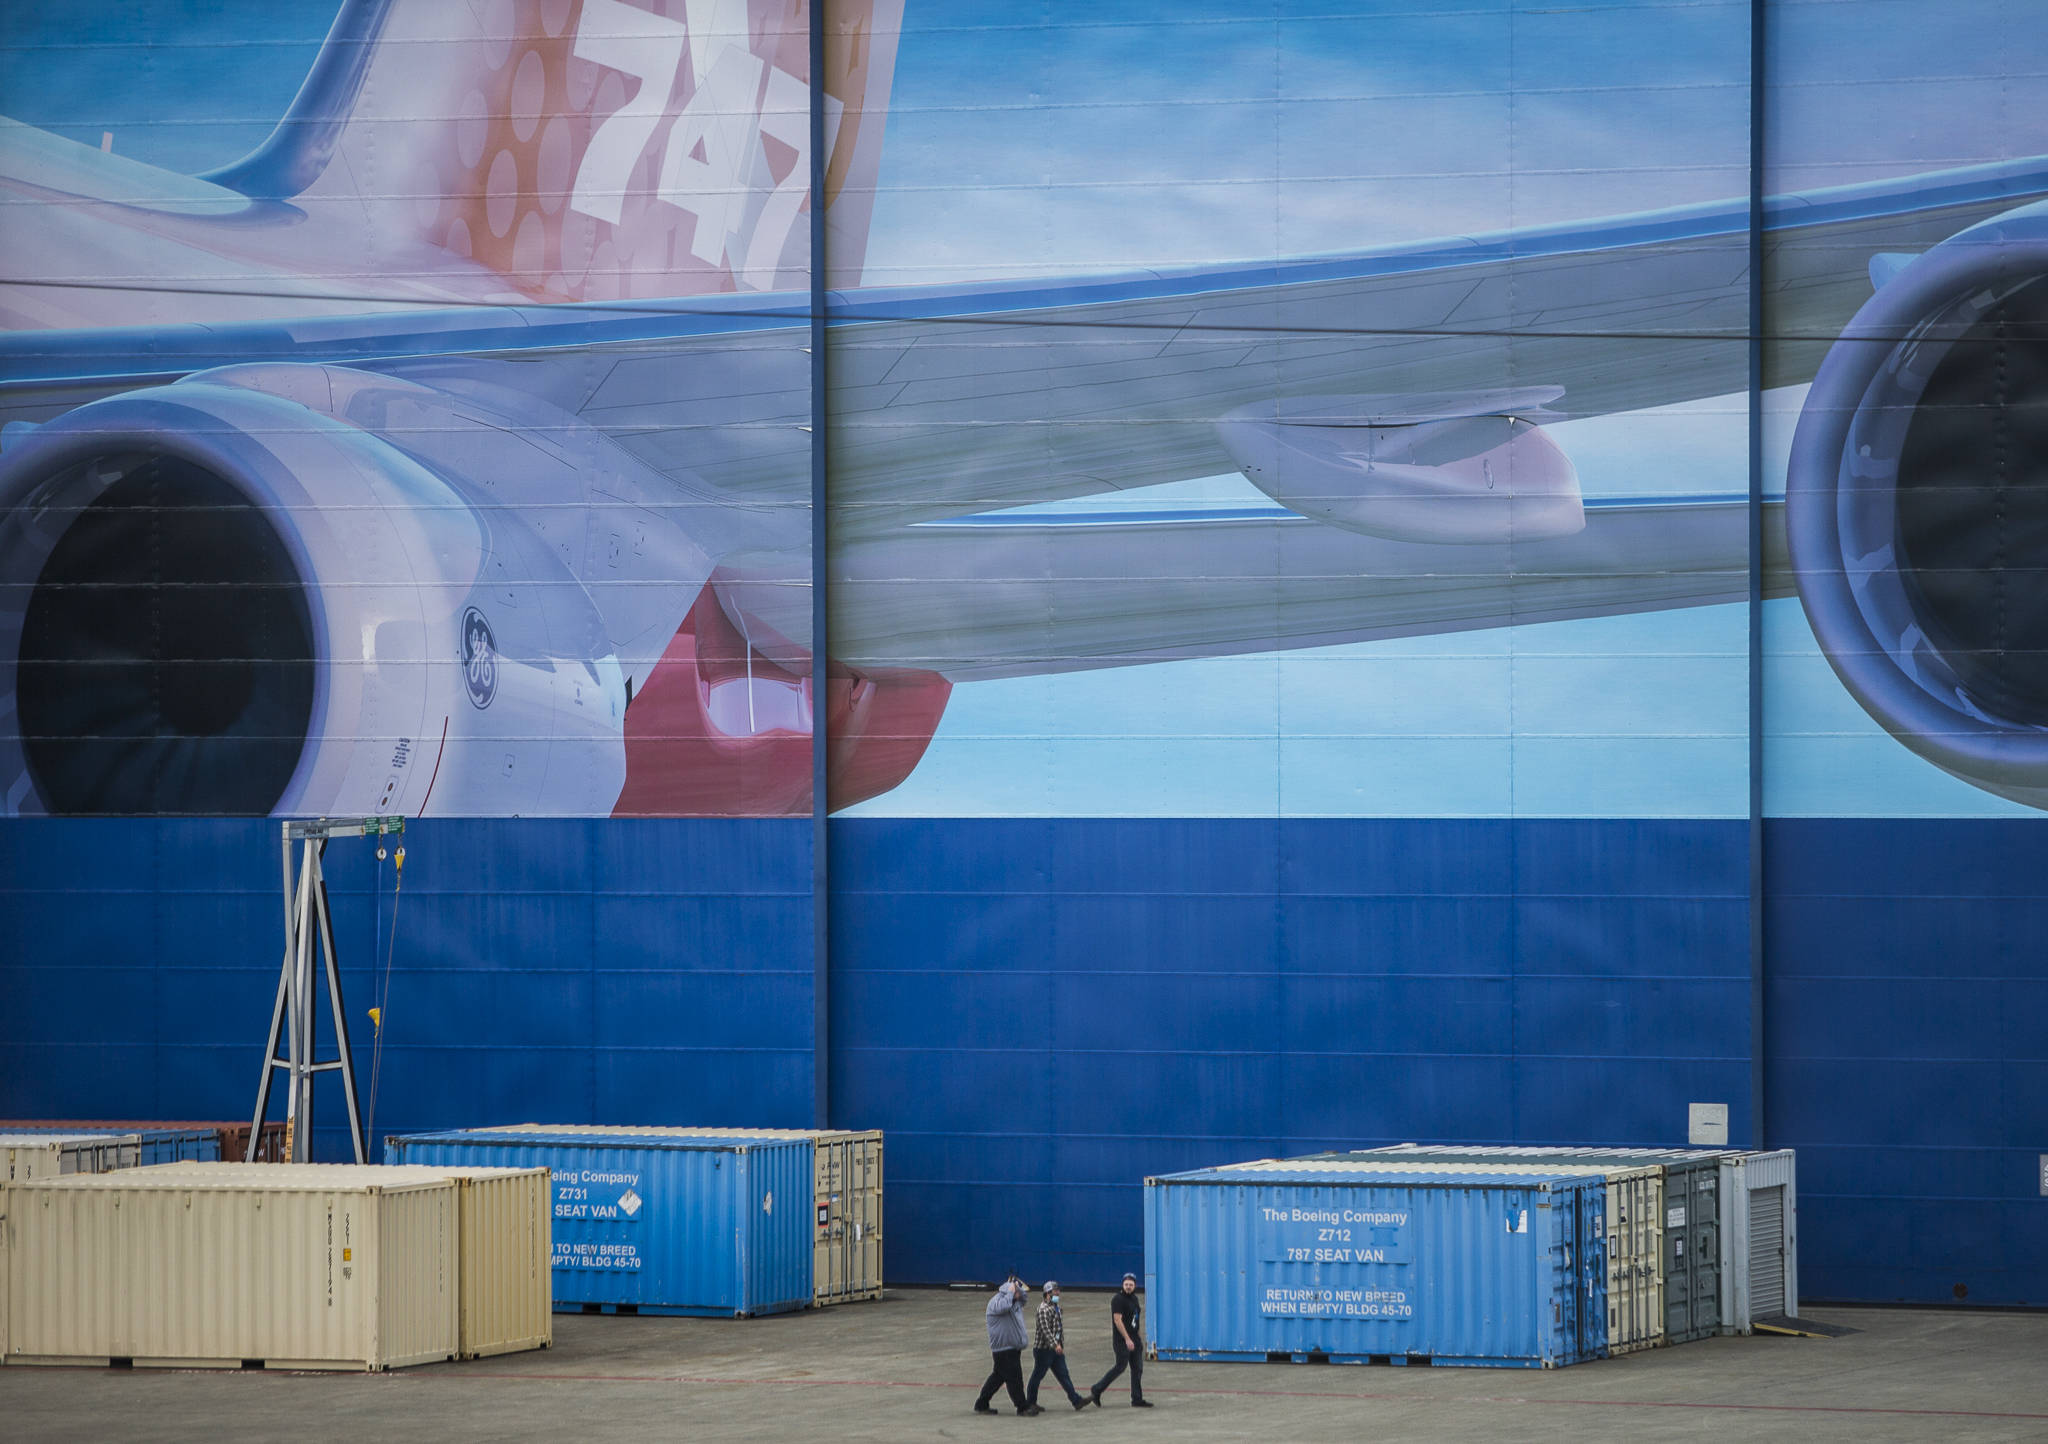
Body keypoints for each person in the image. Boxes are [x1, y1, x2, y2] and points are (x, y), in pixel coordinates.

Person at [974, 1274, 1041, 1416]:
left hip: (1012, 1347)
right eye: (1015, 1292)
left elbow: (1024, 1299)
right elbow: (1003, 1307)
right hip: (1003, 1349)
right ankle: (1022, 1407)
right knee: (1014, 1378)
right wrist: (1011, 1291)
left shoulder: (1014, 1301)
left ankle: (981, 1404)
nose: (1017, 1295)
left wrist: (1018, 1289)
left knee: (998, 1377)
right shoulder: (996, 1302)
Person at [1088, 1272, 1153, 1408]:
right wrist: (1127, 1339)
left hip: (1135, 1339)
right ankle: (1097, 1389)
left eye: (1131, 1284)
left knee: (1137, 1369)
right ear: (1122, 1285)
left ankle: (1137, 1398)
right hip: (1122, 1340)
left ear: (1135, 1285)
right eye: (1126, 1284)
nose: (1128, 1287)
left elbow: (1135, 1320)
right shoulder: (1118, 1299)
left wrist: (1139, 1337)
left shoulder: (1134, 1299)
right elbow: (1117, 1320)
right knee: (1120, 1367)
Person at [1027, 1279, 1088, 1411]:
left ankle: (1076, 1400)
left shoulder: (1056, 1308)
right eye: (1055, 1291)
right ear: (1047, 1293)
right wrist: (1055, 1345)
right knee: (1037, 1375)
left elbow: (1058, 1328)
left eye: (1058, 1291)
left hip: (1056, 1350)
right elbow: (1045, 1330)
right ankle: (1030, 1402)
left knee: (1063, 1375)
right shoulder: (1043, 1309)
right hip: (1044, 1350)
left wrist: (1060, 1344)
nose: (1058, 1293)